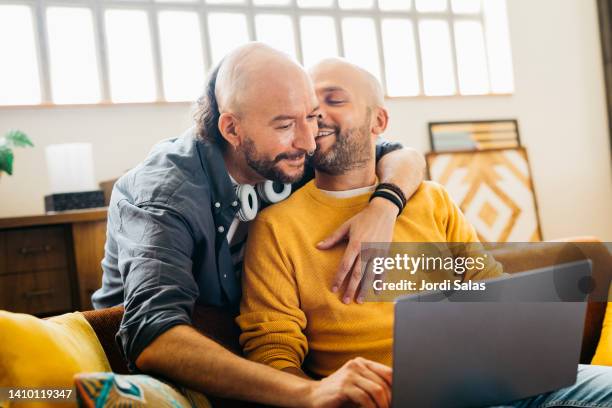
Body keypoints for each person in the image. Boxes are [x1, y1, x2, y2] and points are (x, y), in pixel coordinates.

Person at [237, 57, 612, 408]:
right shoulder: (277, 227)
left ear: (378, 121)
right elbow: (272, 349)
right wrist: (320, 393)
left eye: (333, 98)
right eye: (308, 105)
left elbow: (488, 284)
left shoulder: (431, 199)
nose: (317, 112)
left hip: (490, 376)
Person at [92, 43, 426, 407]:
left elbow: (399, 154)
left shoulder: (290, 154)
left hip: (260, 351)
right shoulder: (163, 193)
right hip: (171, 368)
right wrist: (311, 391)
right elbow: (152, 335)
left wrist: (384, 206)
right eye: (284, 125)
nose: (309, 140)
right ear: (231, 128)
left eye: (311, 117)